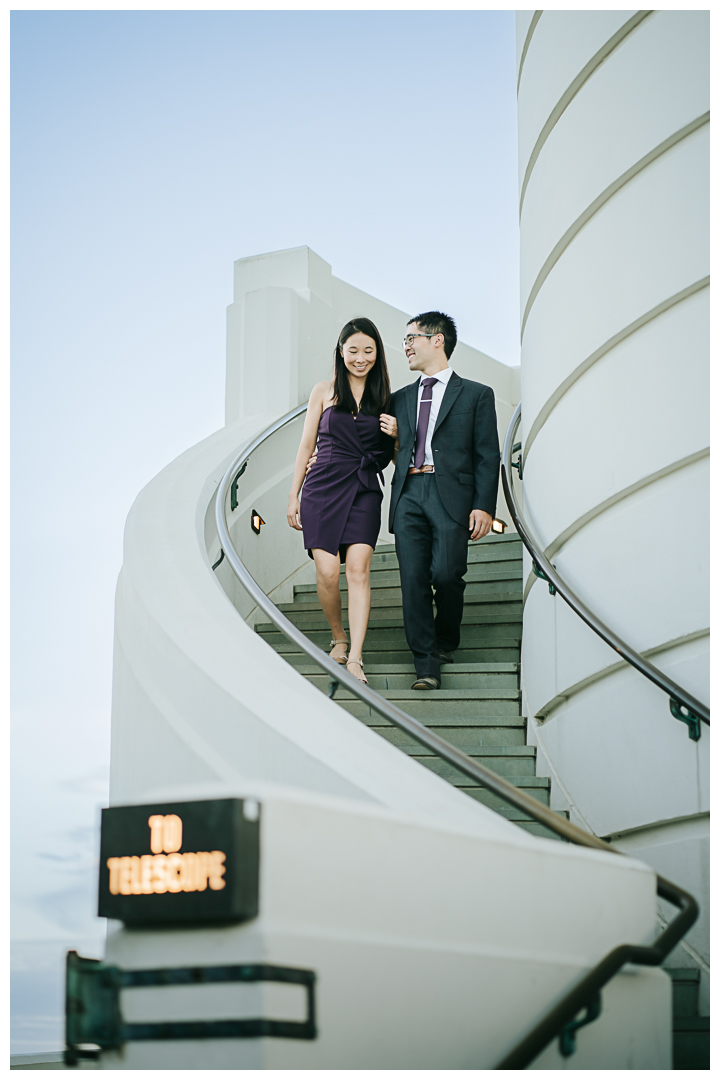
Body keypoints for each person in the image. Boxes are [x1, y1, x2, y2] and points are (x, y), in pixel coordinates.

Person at [382, 312, 500, 690]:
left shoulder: (477, 394)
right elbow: (384, 450)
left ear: (437, 340)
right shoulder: (399, 399)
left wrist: (484, 505)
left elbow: (487, 455)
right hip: (408, 495)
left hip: (452, 496)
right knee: (413, 580)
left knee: (447, 575)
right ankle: (426, 664)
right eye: (405, 341)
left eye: (411, 338)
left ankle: (446, 639)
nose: (406, 347)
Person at [287, 318, 395, 684]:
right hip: (322, 486)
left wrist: (396, 434)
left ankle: (356, 658)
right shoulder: (323, 391)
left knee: (358, 571)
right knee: (328, 572)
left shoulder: (386, 398)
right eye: (353, 350)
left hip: (364, 488)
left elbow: (394, 453)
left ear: (377, 353)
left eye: (368, 350)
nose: (360, 358)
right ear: (340, 351)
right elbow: (306, 447)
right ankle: (338, 637)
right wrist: (293, 495)